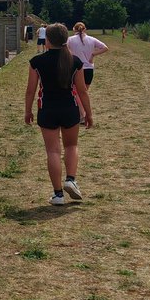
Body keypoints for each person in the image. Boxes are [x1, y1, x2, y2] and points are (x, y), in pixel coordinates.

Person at [24, 22, 92, 205]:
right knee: (71, 146)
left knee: (53, 151)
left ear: (47, 41)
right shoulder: (75, 62)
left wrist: (27, 111)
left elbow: (30, 91)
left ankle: (58, 195)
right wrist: (88, 114)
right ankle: (71, 179)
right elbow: (82, 91)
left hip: (47, 110)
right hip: (70, 109)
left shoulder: (37, 62)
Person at [67, 23, 109, 121]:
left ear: (74, 29)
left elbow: (65, 48)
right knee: (84, 92)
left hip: (76, 69)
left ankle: (82, 114)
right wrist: (93, 54)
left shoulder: (70, 39)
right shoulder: (92, 39)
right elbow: (105, 48)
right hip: (89, 69)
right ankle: (82, 112)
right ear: (85, 29)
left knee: (76, 92)